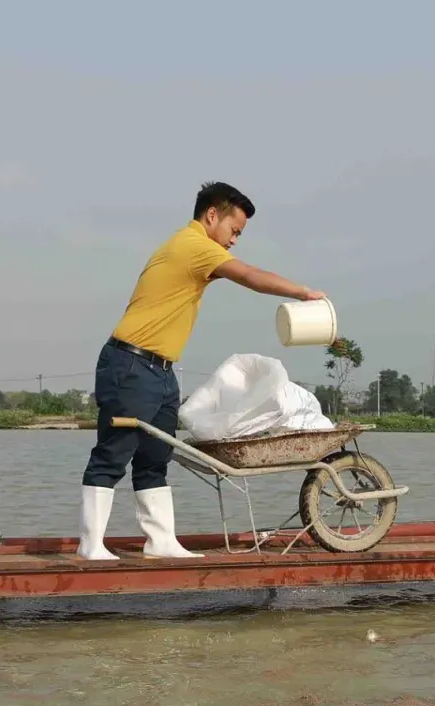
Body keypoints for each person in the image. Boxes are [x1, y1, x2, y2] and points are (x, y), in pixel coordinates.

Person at [79, 181, 326, 560]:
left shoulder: (194, 249)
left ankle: (160, 542)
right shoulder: (193, 245)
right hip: (131, 364)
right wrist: (302, 293)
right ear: (212, 216)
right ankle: (90, 545)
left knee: (154, 459)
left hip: (159, 371)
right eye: (234, 230)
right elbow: (248, 275)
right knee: (114, 453)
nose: (234, 240)